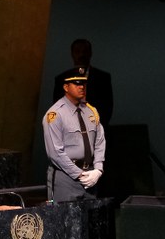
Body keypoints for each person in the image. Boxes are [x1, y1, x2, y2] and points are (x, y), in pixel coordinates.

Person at [43, 67, 106, 202]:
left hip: (90, 175)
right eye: (76, 83)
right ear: (66, 87)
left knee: (90, 219)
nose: (81, 87)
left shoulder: (90, 111)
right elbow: (55, 153)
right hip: (65, 176)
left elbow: (100, 141)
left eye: (83, 83)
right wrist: (78, 174)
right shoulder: (55, 114)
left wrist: (98, 169)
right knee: (64, 220)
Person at [53, 38, 113, 128]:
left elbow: (107, 107)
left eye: (85, 51)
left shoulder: (103, 77)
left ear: (90, 53)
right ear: (72, 54)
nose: (81, 54)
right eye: (77, 51)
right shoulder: (61, 79)